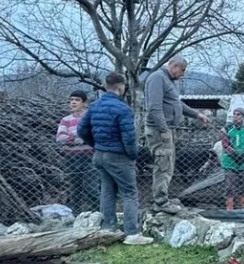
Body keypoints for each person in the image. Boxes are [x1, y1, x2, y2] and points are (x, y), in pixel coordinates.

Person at [77, 73, 153, 246]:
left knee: (107, 191)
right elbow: (129, 137)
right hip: (118, 156)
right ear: (121, 87)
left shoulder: (94, 106)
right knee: (129, 193)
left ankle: (108, 228)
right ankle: (131, 233)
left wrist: (95, 144)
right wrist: (133, 154)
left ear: (105, 86)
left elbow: (81, 130)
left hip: (100, 155)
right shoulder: (123, 109)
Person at [144, 55, 211, 214]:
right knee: (163, 165)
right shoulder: (157, 78)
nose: (183, 74)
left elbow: (176, 103)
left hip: (167, 130)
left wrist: (196, 114)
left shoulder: (168, 82)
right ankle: (160, 202)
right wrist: (163, 129)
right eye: (182, 70)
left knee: (168, 166)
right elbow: (154, 107)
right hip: (159, 131)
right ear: (173, 66)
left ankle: (163, 197)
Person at [55, 90, 98, 213]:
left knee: (91, 189)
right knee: (74, 189)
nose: (73, 102)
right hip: (71, 159)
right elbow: (60, 138)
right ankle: (75, 216)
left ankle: (98, 214)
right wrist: (76, 138)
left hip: (89, 158)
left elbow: (93, 135)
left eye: (77, 100)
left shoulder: (90, 118)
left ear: (84, 103)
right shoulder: (65, 120)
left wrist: (82, 138)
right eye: (72, 100)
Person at [220, 107, 244, 210]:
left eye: (238, 114)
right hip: (230, 162)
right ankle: (229, 207)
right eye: (234, 114)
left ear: (243, 117)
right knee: (230, 185)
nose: (235, 117)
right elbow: (225, 144)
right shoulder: (226, 129)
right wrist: (234, 155)